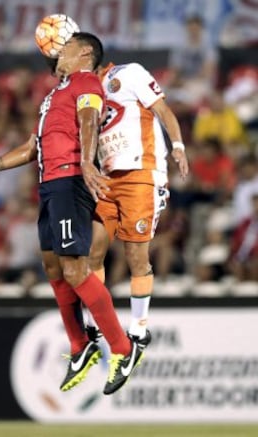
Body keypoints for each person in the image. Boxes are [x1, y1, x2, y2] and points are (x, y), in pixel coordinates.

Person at [0, 32, 140, 396]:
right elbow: (31, 147)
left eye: (68, 45)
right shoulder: (54, 94)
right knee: (52, 266)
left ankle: (122, 347)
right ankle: (80, 344)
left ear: (85, 52)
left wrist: (88, 163)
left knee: (75, 268)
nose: (59, 50)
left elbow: (89, 119)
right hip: (49, 184)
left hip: (70, 180)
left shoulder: (87, 81)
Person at [87, 61, 189, 349]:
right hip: (107, 178)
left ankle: (139, 328)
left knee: (136, 256)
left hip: (140, 173)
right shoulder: (84, 93)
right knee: (93, 251)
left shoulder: (128, 73)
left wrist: (178, 147)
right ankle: (95, 327)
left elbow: (163, 110)